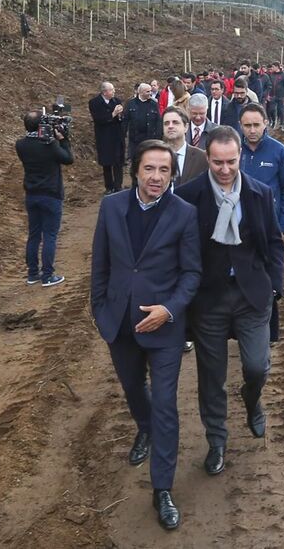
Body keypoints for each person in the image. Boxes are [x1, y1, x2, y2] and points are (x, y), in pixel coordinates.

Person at [90, 139, 201, 531]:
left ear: (172, 175)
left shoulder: (184, 214)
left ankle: (162, 490)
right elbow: (100, 264)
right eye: (150, 169)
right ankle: (144, 426)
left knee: (166, 405)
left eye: (164, 171)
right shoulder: (111, 206)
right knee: (135, 390)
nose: (156, 177)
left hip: (166, 326)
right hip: (119, 322)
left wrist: (169, 309)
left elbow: (191, 273)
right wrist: (101, 309)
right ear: (136, 170)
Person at [175, 126, 284, 478]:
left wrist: (274, 287)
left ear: (240, 158)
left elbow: (273, 243)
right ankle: (216, 441)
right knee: (211, 377)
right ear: (207, 158)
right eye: (218, 162)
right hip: (209, 300)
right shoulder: (188, 196)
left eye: (232, 162)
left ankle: (252, 400)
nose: (225, 169)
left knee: (256, 367)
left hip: (252, 296)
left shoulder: (259, 194)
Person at [238, 103, 284, 344]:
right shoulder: (235, 151)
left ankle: (270, 333)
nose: (252, 130)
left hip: (267, 229)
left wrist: (281, 225)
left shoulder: (279, 152)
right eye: (247, 125)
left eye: (256, 125)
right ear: (240, 126)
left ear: (265, 124)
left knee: (268, 280)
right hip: (238, 228)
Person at [16, 110, 74, 287]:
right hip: (50, 194)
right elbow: (68, 159)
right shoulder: (49, 145)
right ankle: (48, 275)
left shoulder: (21, 145)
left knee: (34, 235)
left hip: (31, 194)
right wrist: (63, 140)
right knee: (49, 235)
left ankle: (33, 273)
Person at [88, 82, 125, 195]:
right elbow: (98, 119)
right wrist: (113, 114)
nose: (114, 92)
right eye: (111, 90)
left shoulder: (116, 101)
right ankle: (109, 186)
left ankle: (118, 186)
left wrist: (120, 115)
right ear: (105, 92)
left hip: (117, 136)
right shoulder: (95, 103)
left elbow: (121, 119)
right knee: (107, 163)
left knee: (118, 162)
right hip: (104, 136)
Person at [164, 106, 207, 187]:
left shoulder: (201, 157)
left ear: (186, 127)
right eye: (166, 123)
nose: (170, 126)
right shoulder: (156, 156)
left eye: (175, 122)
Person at [122, 83, 161, 161]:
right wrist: (123, 134)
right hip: (135, 138)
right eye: (148, 91)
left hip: (149, 138)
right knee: (135, 160)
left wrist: (158, 136)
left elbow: (158, 121)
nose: (150, 93)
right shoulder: (131, 103)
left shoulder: (154, 104)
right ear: (141, 92)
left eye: (150, 91)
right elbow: (125, 120)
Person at [266, 62, 284, 131]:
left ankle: (281, 124)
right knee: (271, 110)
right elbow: (269, 85)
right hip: (272, 95)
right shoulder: (271, 75)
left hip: (281, 96)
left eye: (273, 67)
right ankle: (274, 121)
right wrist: (268, 94)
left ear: (277, 67)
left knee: (281, 110)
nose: (272, 68)